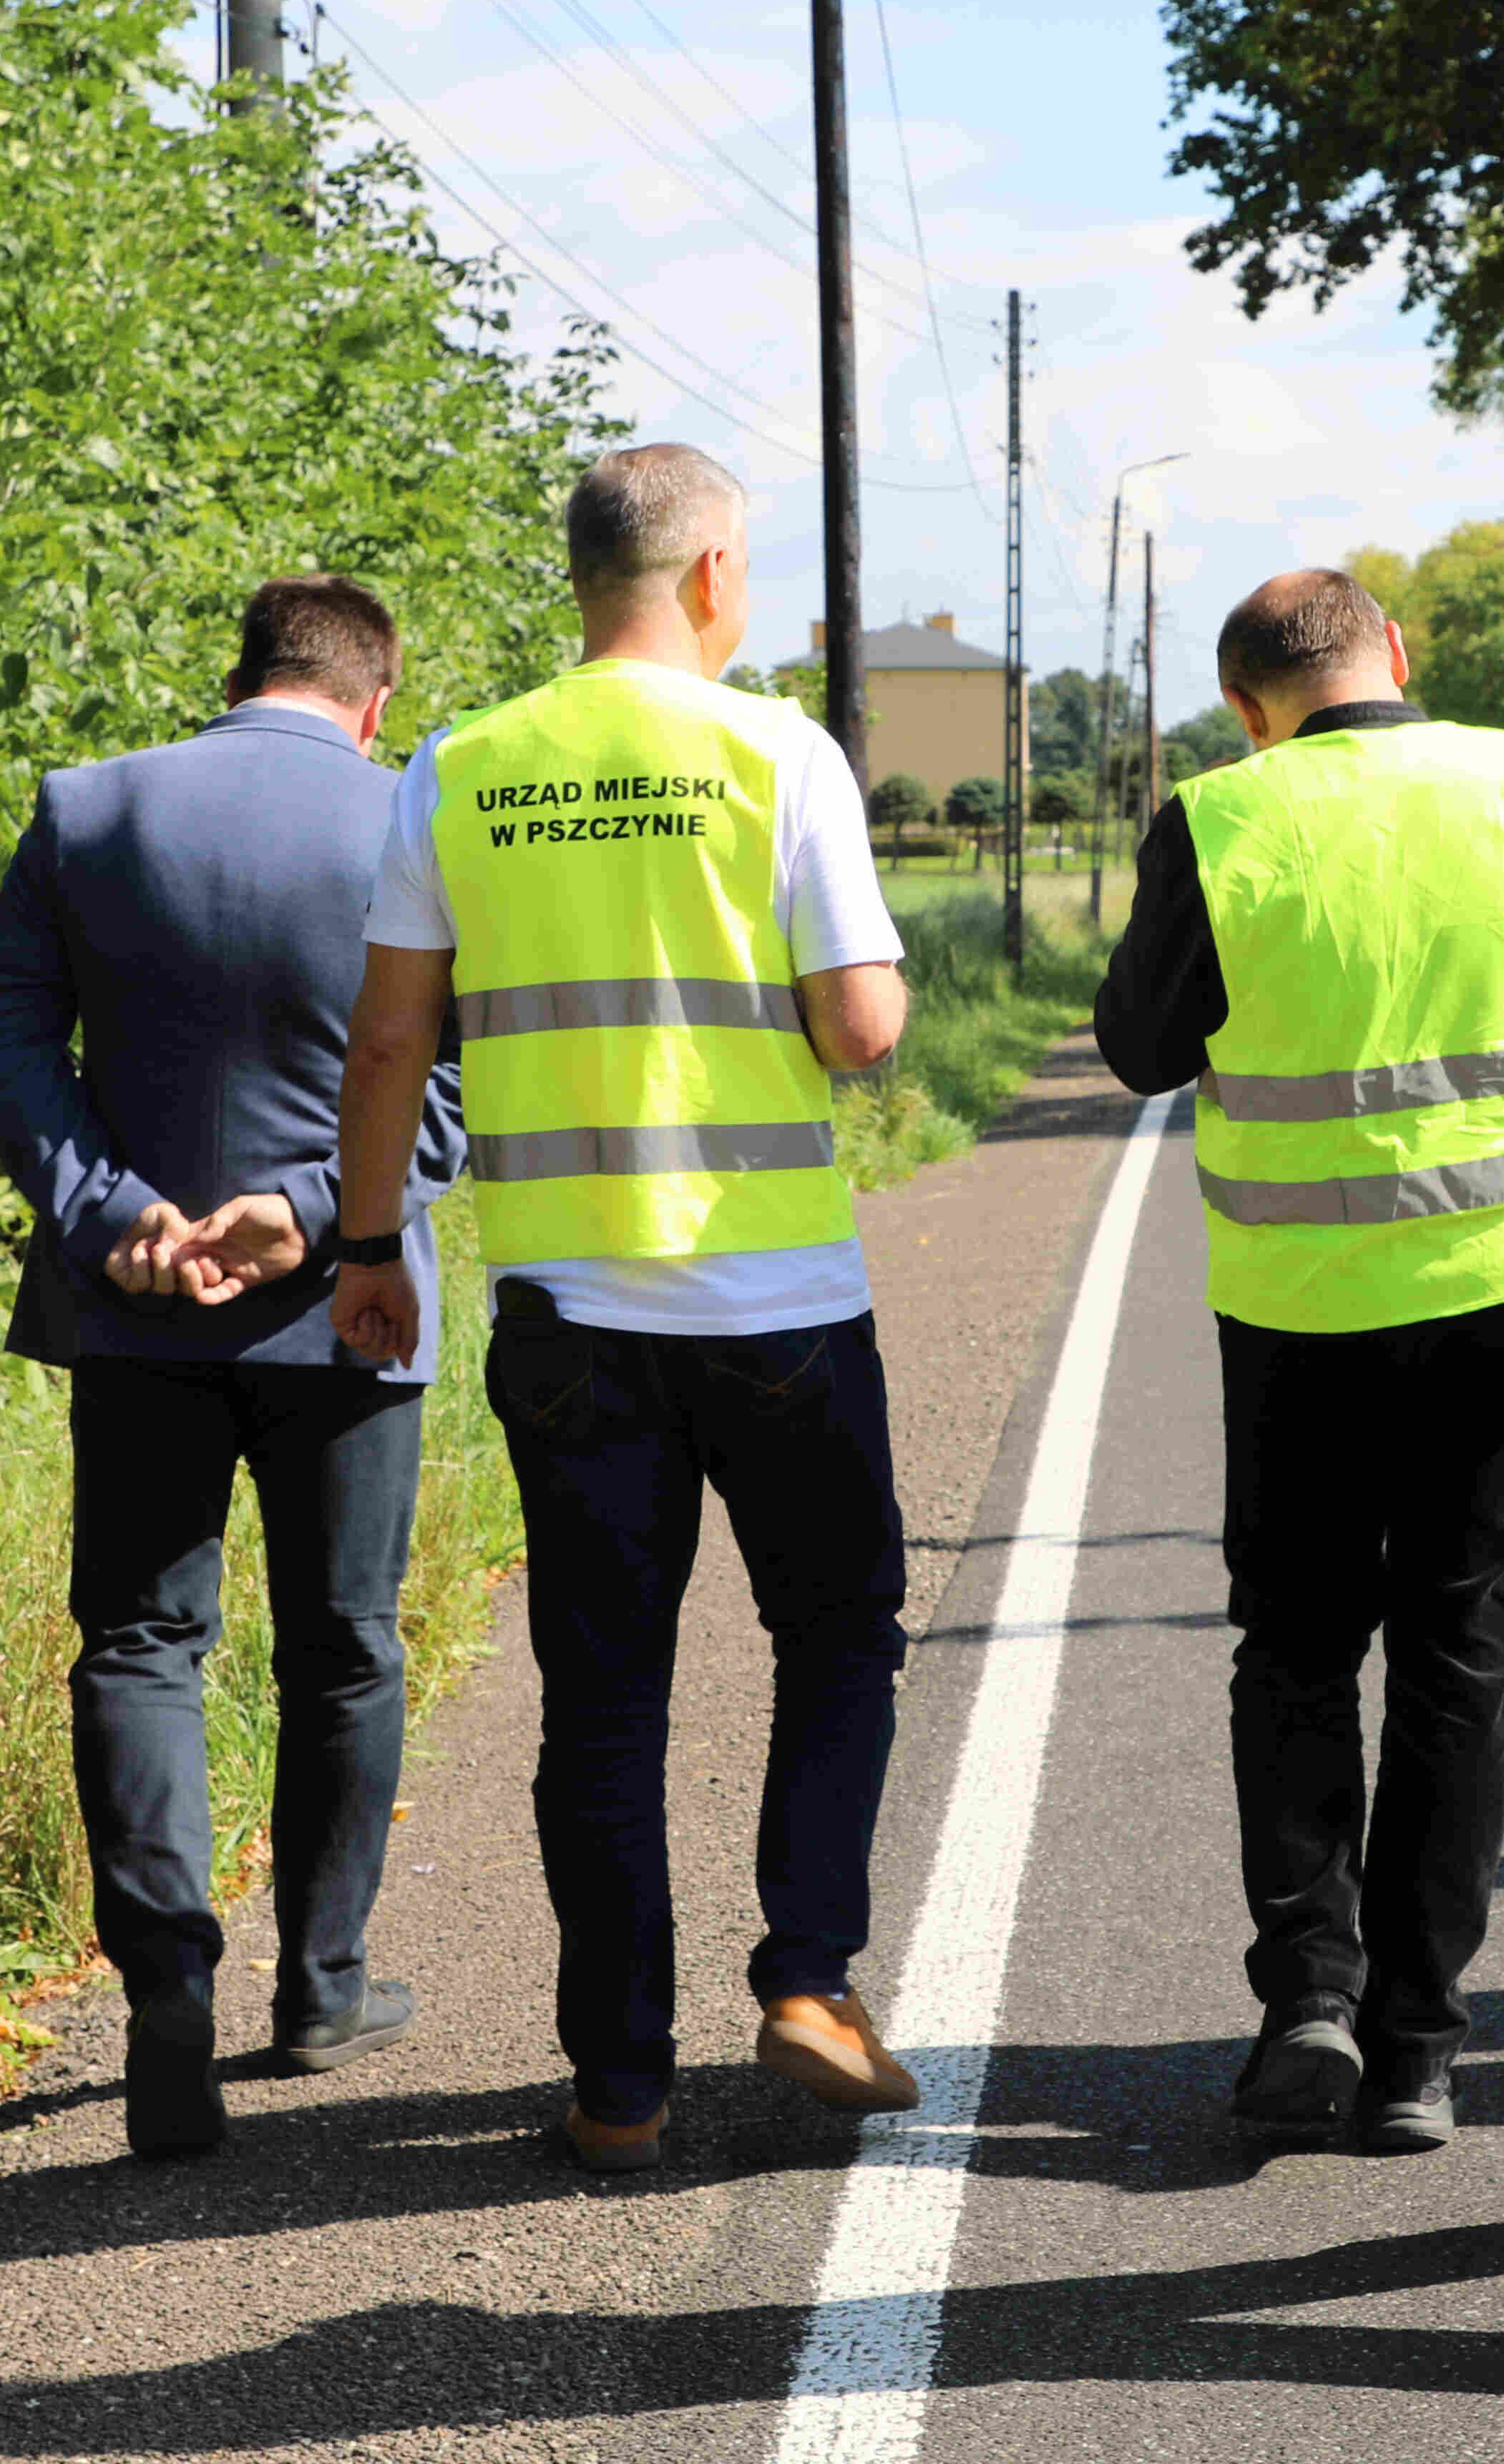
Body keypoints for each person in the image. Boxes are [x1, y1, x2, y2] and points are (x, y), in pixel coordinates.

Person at [326, 441, 917, 2175]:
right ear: (715, 573)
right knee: (837, 1633)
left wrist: (370, 1246)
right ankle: (807, 1979)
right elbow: (861, 1028)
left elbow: (389, 1038)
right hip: (779, 1302)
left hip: (569, 1310)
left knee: (601, 1696)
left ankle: (618, 2085)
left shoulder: (461, 764)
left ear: (582, 575)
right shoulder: (777, 753)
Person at [1091, 566, 1504, 2159]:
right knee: (1462, 1652)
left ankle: (1308, 2000)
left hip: (1301, 1296)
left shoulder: (1220, 815)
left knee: (1298, 1645)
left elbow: (1140, 1048)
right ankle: (1416, 2052)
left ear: (1244, 706)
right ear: (1396, 652)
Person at [0, 573, 467, 2161]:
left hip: (137, 1306)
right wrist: (317, 1210)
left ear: (238, 676)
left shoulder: (92, 807)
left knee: (140, 1642)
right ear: (376, 699)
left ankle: (168, 1988)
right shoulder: (415, 814)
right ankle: (322, 1987)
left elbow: (5, 1034)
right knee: (344, 1644)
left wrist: (111, 1213)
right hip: (347, 1305)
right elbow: (455, 1077)